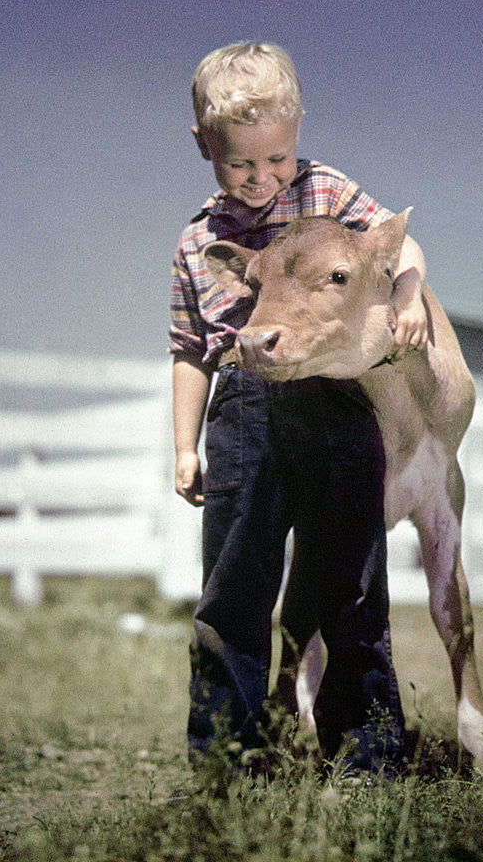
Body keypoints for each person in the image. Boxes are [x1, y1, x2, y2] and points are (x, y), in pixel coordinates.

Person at [169, 43, 427, 779]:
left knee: (350, 580)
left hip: (334, 395)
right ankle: (230, 763)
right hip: (244, 406)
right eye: (239, 164)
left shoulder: (328, 193)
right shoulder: (196, 243)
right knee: (234, 585)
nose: (262, 177)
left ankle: (366, 759)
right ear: (203, 148)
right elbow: (188, 348)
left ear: (297, 133)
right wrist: (184, 446)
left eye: (276, 158)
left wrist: (406, 299)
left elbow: (400, 248)